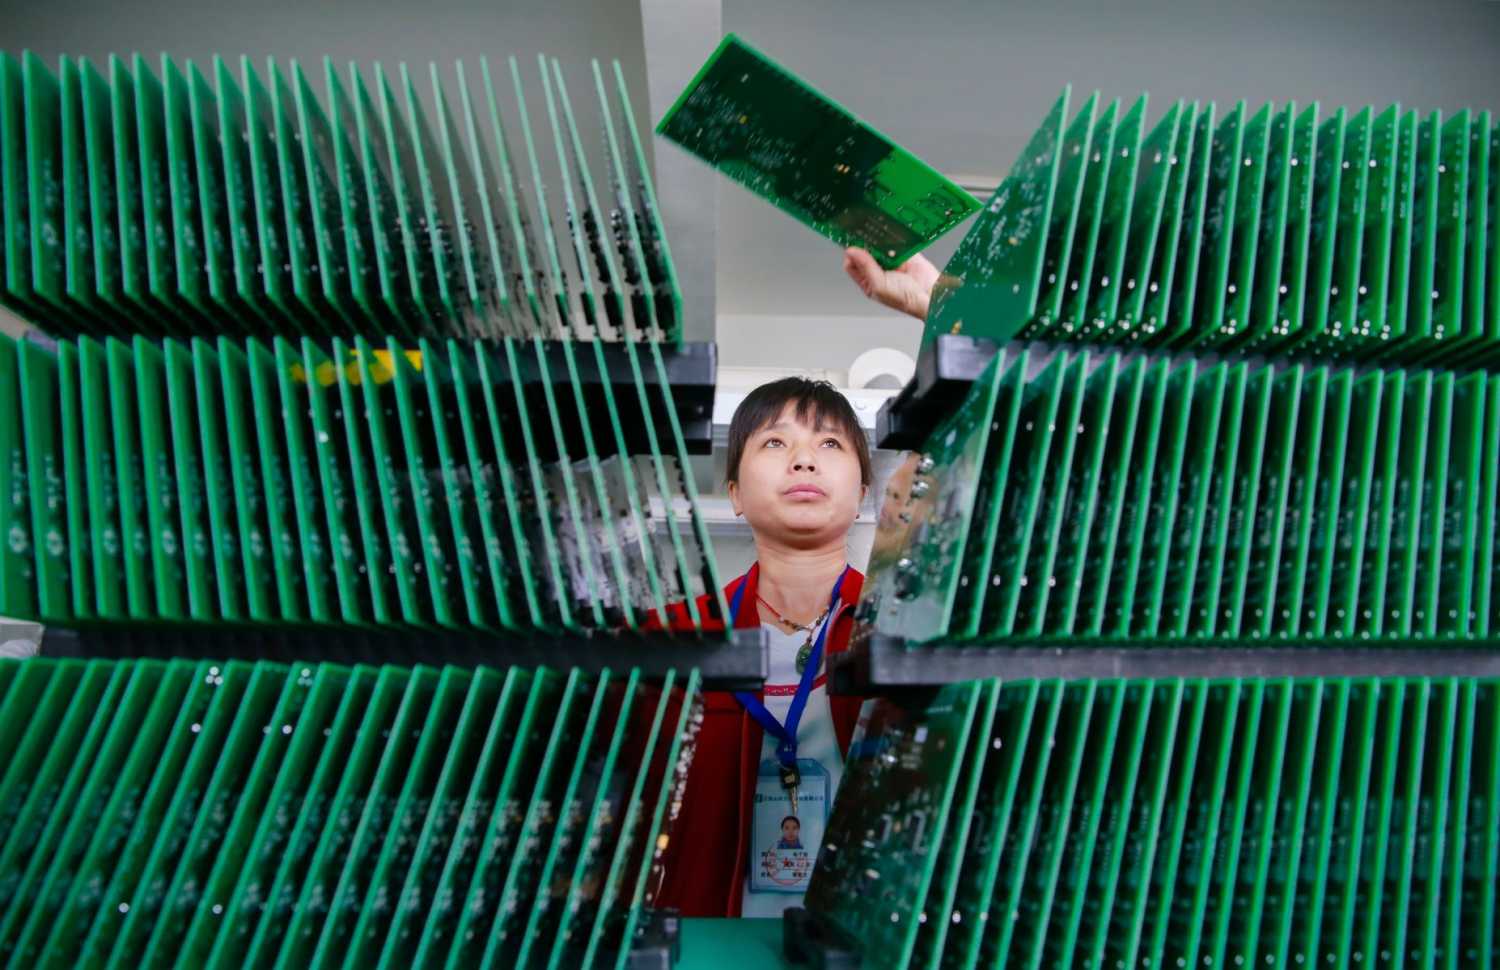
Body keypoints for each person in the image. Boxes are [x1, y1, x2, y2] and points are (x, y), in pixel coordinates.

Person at [655, 375, 874, 918]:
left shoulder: (904, 631)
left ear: (862, 493)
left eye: (830, 443)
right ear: (734, 494)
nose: (804, 460)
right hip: (710, 943)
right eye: (775, 443)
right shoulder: (670, 640)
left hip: (866, 946)